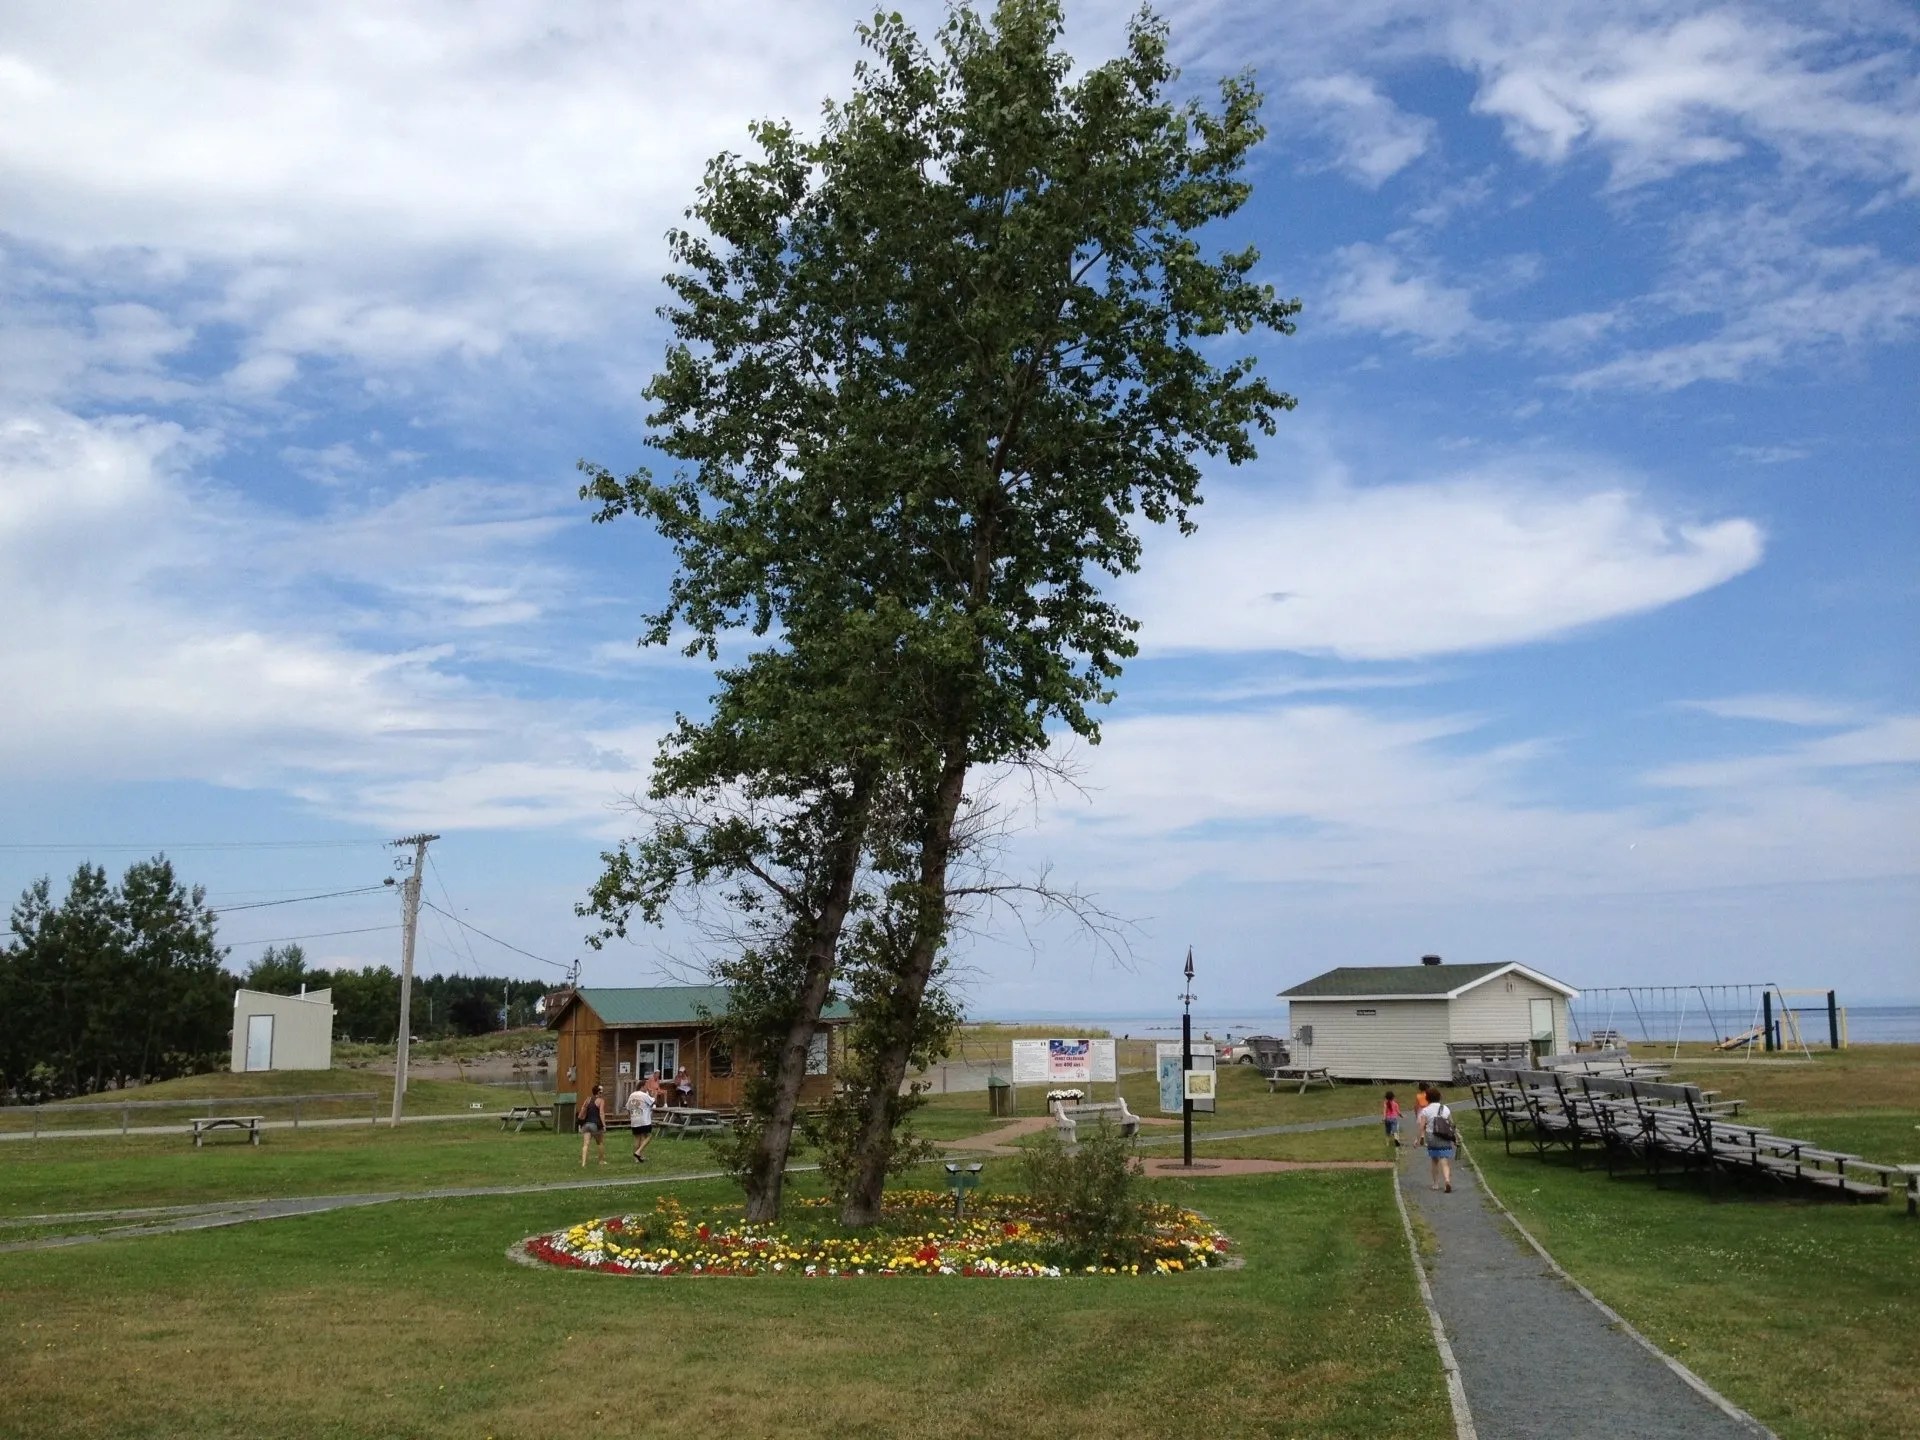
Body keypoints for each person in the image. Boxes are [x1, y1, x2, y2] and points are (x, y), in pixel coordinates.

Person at [1416, 1084, 1455, 1192]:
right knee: (1444, 1160)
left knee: (1434, 1160)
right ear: (1439, 1097)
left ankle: (1435, 1184)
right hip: (1443, 1135)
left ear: (1427, 1098)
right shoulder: (1445, 1108)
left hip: (1431, 1137)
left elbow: (1421, 1127)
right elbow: (1452, 1124)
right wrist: (1455, 1138)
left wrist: (1418, 1139)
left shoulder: (1425, 1110)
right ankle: (1447, 1180)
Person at [628, 1077, 658, 1163]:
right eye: (646, 1086)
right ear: (642, 1086)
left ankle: (637, 1158)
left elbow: (628, 1108)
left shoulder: (632, 1095)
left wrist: (631, 1117)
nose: (647, 1088)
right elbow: (654, 1102)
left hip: (634, 1120)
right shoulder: (644, 1095)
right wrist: (655, 1093)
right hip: (644, 1120)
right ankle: (638, 1152)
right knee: (649, 1136)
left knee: (638, 1138)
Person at [578, 1084, 608, 1167]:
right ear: (598, 1092)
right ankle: (601, 1161)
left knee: (585, 1144)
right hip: (595, 1125)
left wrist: (580, 1121)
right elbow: (601, 1113)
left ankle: (583, 1163)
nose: (602, 1093)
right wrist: (604, 1125)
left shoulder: (588, 1099)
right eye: (601, 1091)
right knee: (600, 1143)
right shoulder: (601, 1101)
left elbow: (582, 1111)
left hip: (586, 1124)